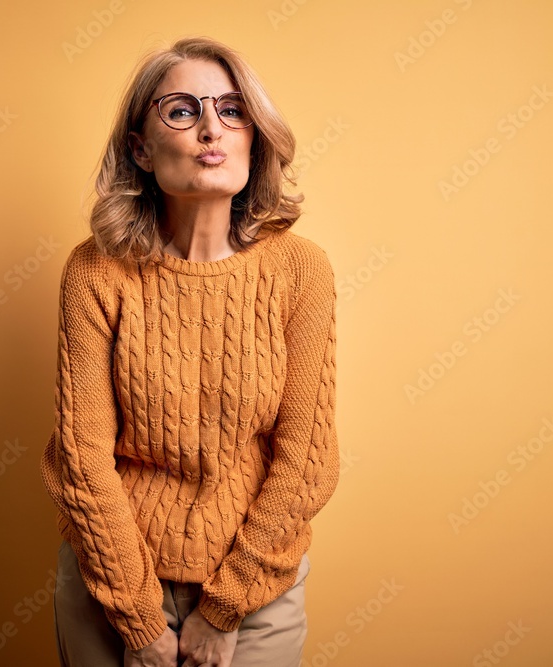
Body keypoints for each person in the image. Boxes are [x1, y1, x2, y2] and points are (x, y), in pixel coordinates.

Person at [39, 35, 339, 667]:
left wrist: (224, 607)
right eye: (182, 110)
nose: (211, 129)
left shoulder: (301, 271)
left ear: (255, 137)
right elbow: (82, 460)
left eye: (233, 110)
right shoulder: (95, 272)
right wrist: (140, 621)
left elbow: (306, 460)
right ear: (141, 149)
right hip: (111, 585)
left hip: (256, 592)